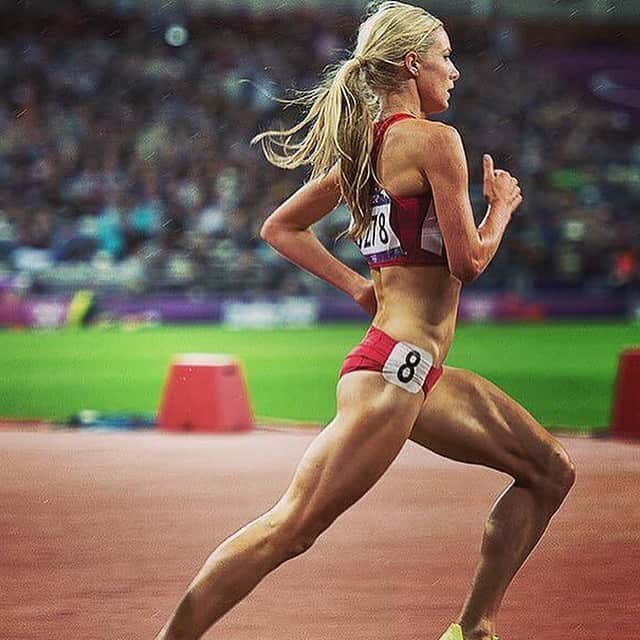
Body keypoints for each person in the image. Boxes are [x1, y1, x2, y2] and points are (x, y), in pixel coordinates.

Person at [154, 3, 575, 639]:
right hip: (393, 377)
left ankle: (474, 628)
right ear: (412, 63)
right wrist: (502, 208)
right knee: (290, 528)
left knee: (549, 471)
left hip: (410, 369)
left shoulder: (365, 151)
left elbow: (281, 228)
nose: (455, 72)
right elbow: (467, 263)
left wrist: (358, 288)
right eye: (445, 55)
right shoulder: (437, 141)